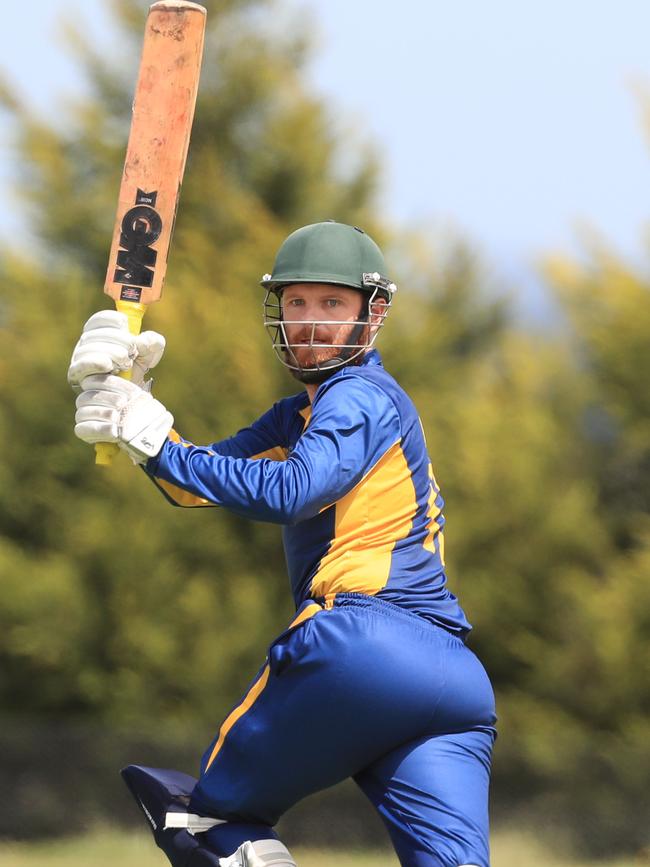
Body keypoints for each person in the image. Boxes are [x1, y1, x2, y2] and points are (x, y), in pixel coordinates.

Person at [68, 221, 497, 867]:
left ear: (371, 313)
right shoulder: (300, 414)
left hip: (364, 645)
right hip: (454, 684)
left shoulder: (358, 395)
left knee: (204, 819)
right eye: (297, 302)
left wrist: (152, 438)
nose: (311, 321)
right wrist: (133, 411)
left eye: (332, 303)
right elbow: (200, 482)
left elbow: (292, 491)